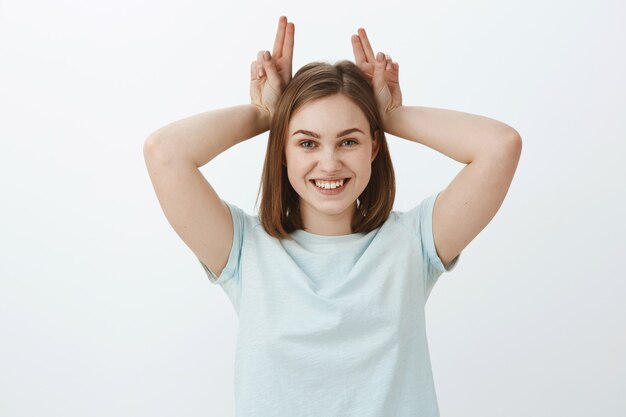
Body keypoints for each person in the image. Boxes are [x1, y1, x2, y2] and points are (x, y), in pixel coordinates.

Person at [143, 16, 521, 417]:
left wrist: (389, 115)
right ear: (283, 152)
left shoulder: (414, 241)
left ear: (373, 148)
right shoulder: (244, 249)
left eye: (349, 141)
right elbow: (164, 153)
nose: (329, 162)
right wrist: (263, 114)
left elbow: (500, 146)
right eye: (307, 142)